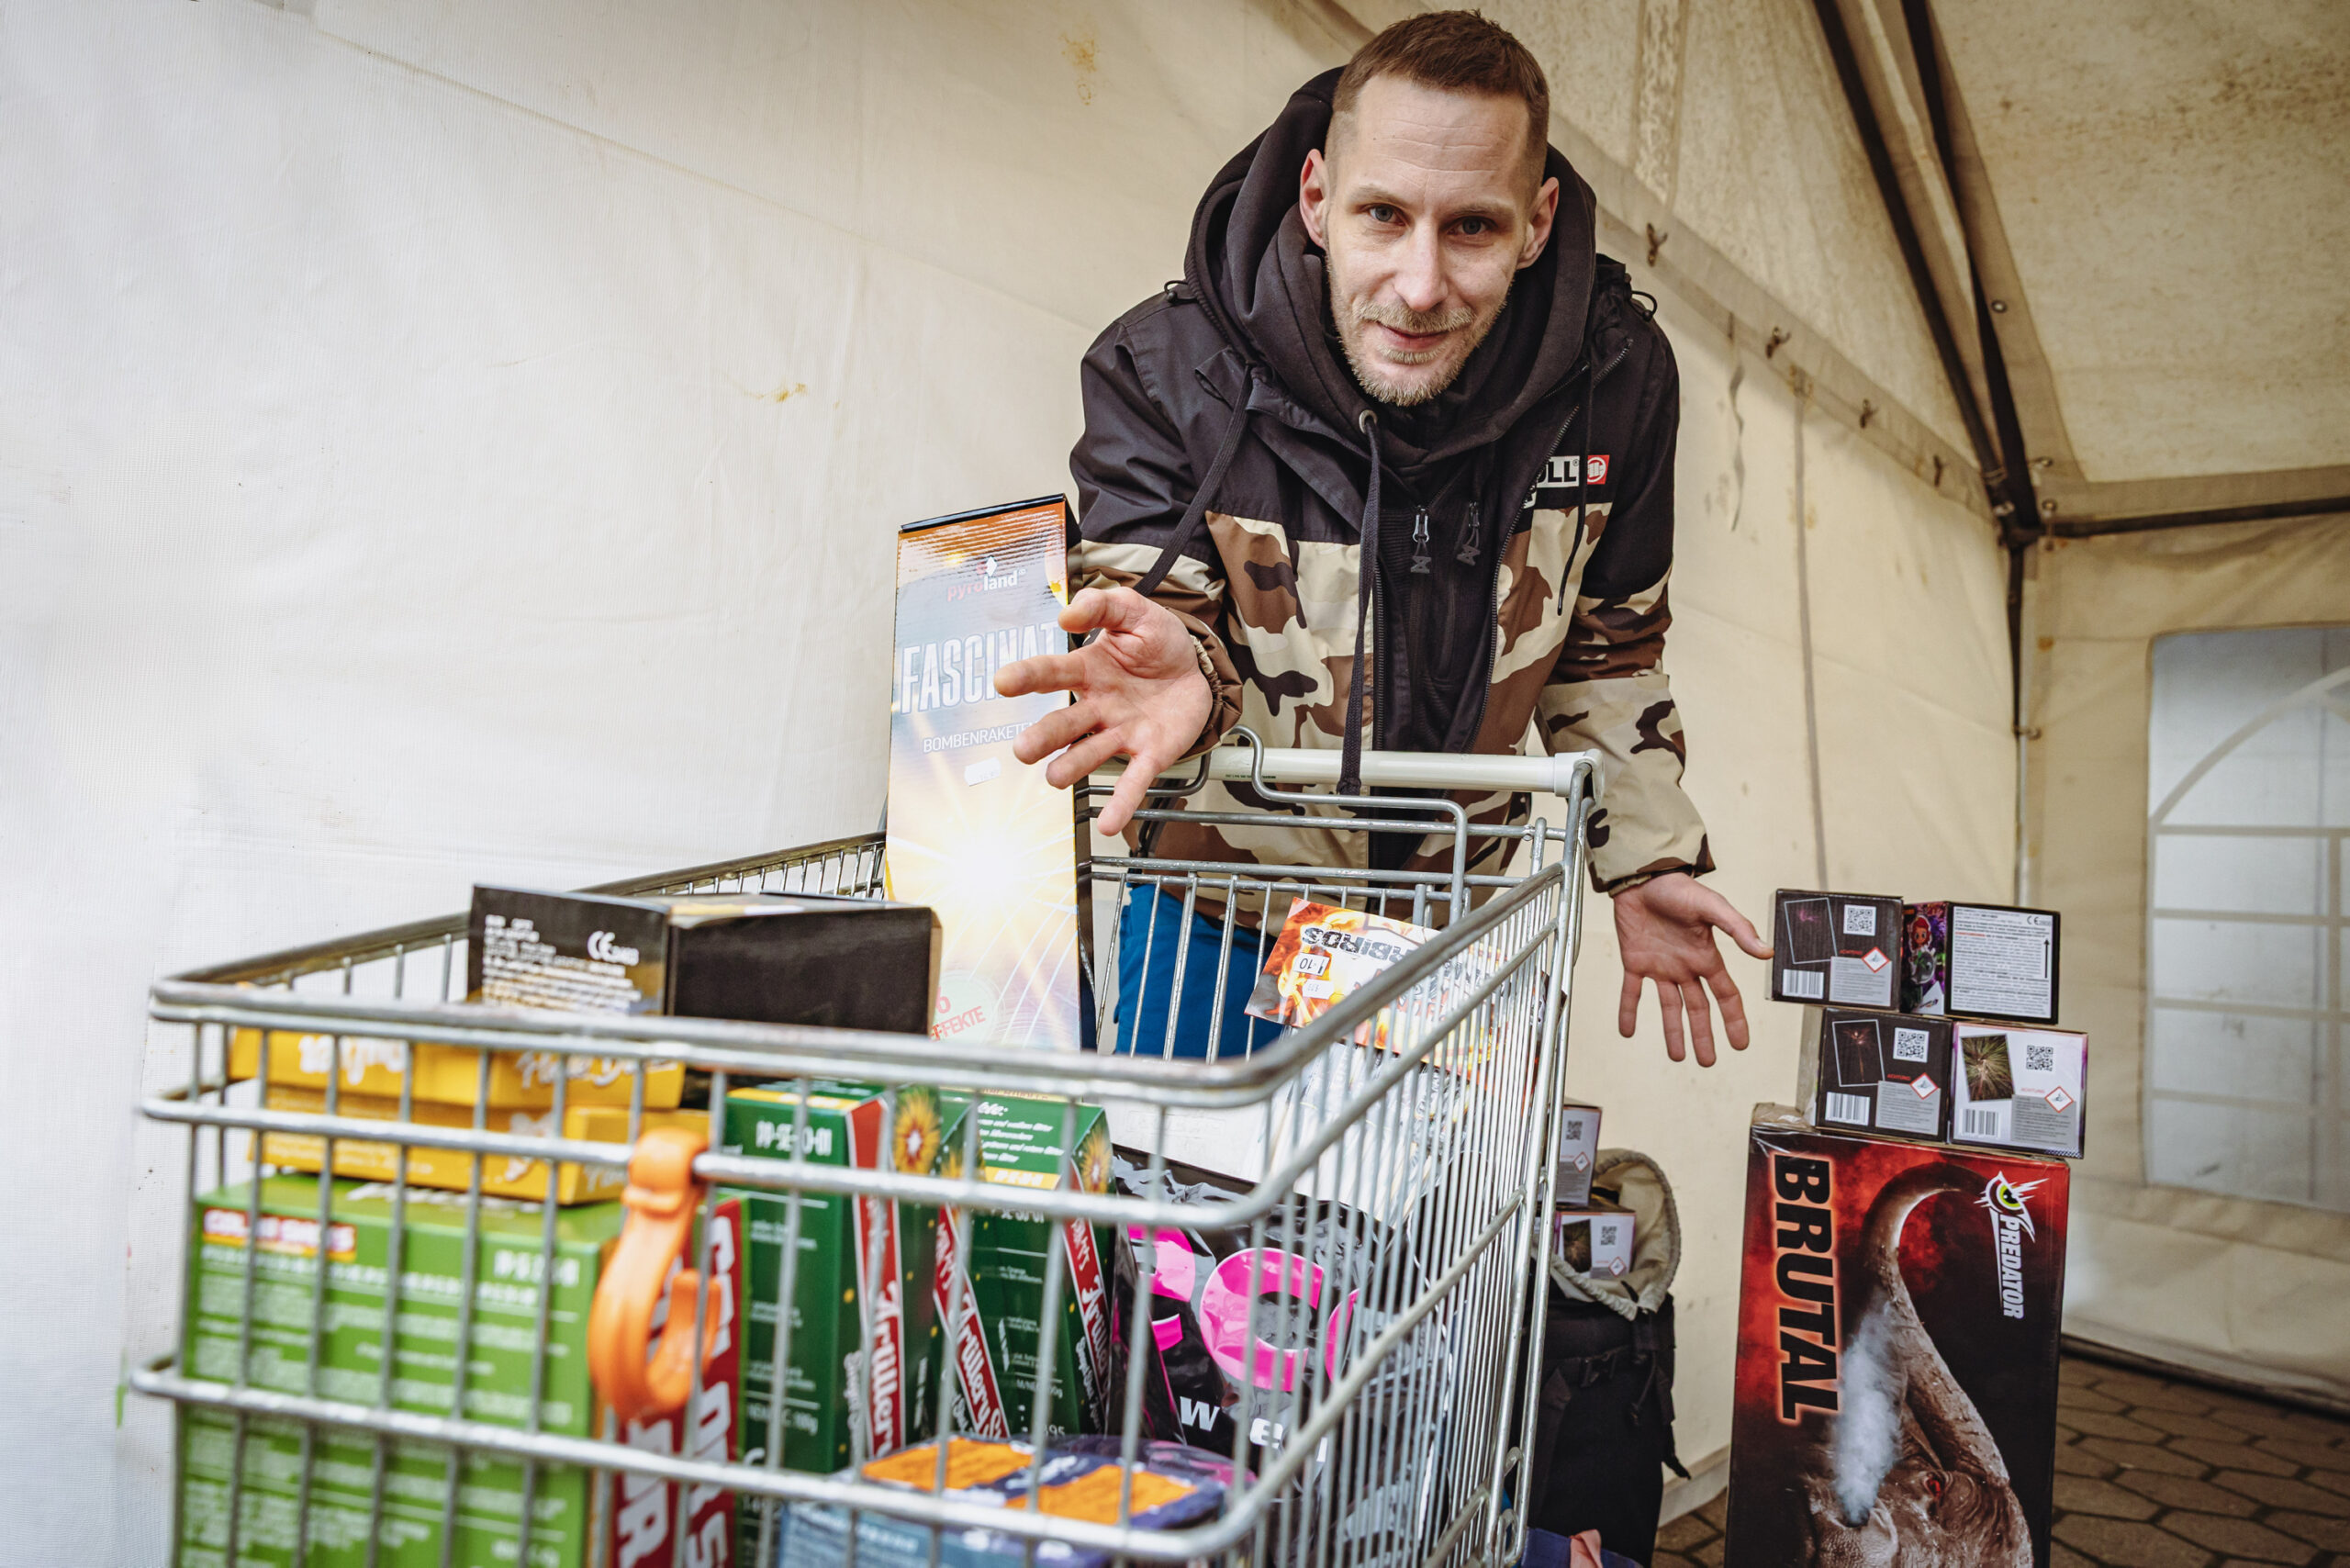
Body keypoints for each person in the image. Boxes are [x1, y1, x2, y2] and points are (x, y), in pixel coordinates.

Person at [997, 12, 1768, 1065]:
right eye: (1382, 214)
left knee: (1424, 1236)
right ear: (1317, 198)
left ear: (1537, 223)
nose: (1418, 284)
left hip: (1453, 934)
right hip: (1221, 915)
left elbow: (1607, 649)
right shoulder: (1163, 367)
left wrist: (1645, 858)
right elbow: (1156, 611)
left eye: (1472, 229)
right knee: (1189, 1229)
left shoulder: (1618, 383)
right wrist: (1179, 669)